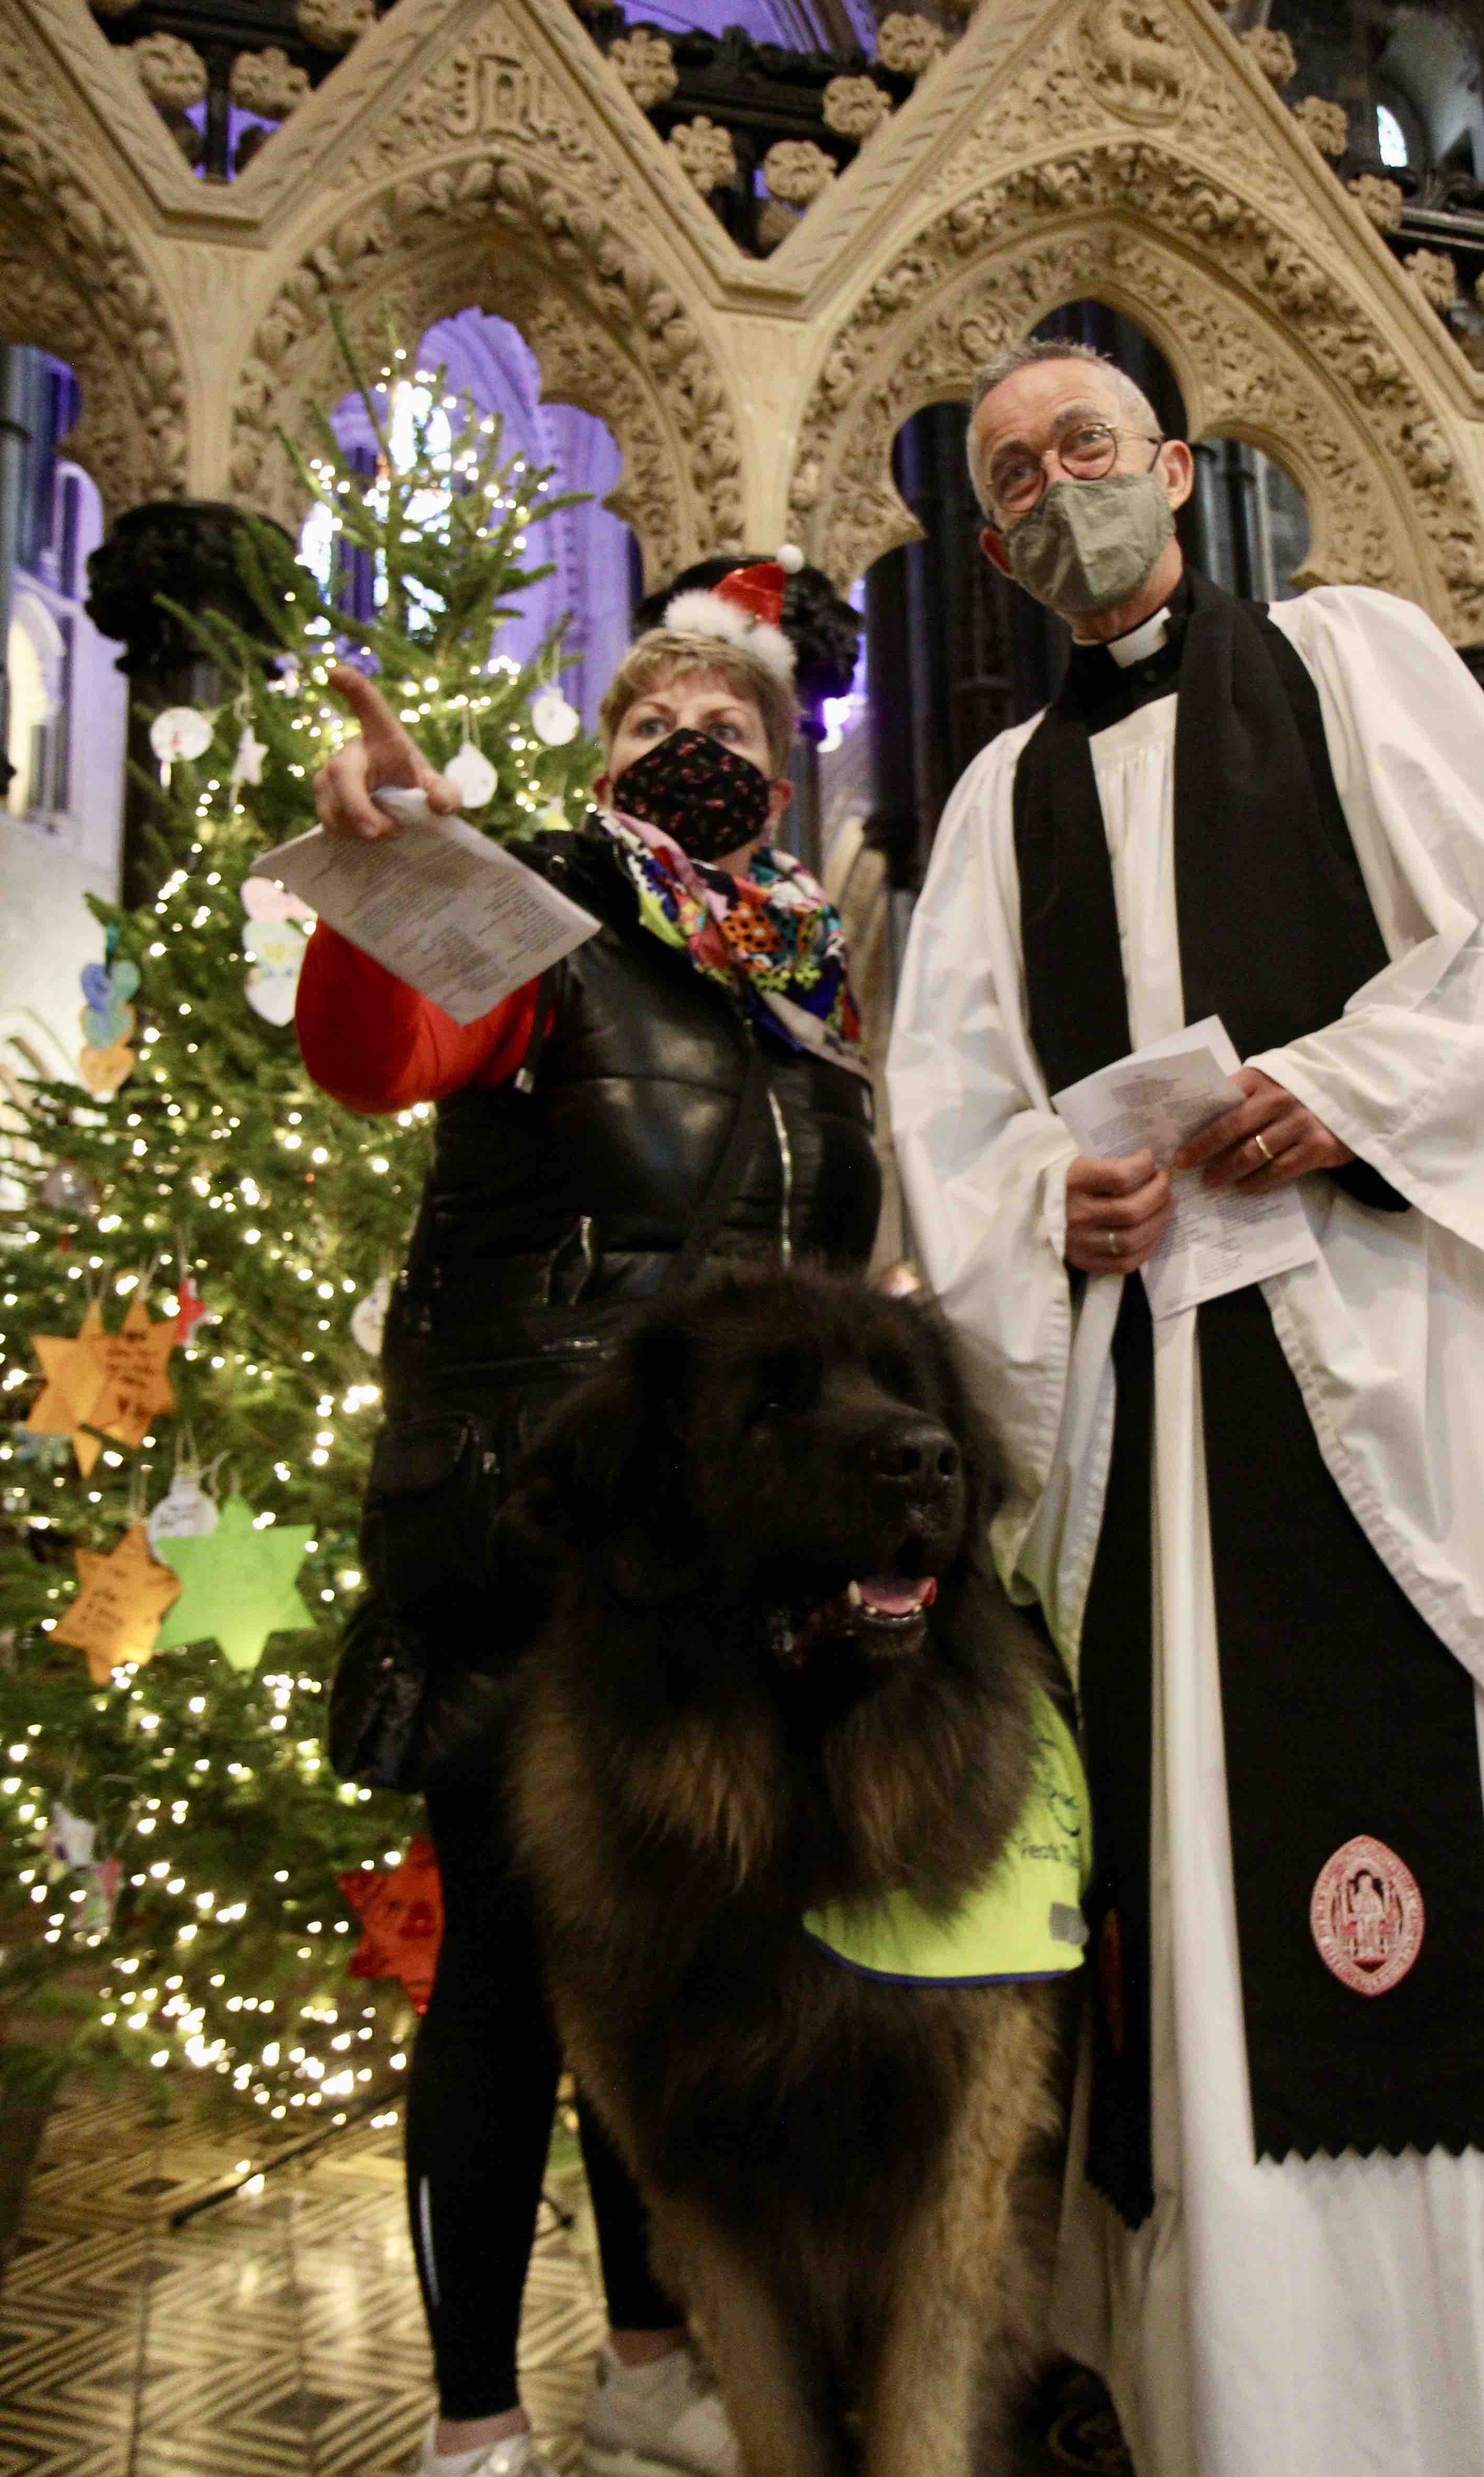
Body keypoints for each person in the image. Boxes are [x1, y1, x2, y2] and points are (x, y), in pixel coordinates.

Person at [886, 336, 1484, 2477]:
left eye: (1085, 446)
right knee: (1196, 1904)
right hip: (1172, 1414)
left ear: (1177, 468)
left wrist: (1342, 1090)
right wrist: (1049, 1200)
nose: (1053, 491)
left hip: (1403, 1390)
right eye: (1011, 475)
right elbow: (955, 1120)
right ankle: (1282, 2409)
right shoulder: (997, 805)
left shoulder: (1357, 663)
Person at [295, 557, 881, 2477]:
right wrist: (383, 871)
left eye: (728, 727)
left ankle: (649, 2360)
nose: (691, 747)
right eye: (653, 724)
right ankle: (476, 2427)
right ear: (605, 759)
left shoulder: (815, 996)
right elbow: (377, 1056)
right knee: (514, 1980)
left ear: (780, 776)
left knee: (675, 1970)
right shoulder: (540, 930)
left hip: (730, 1564)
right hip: (542, 1539)